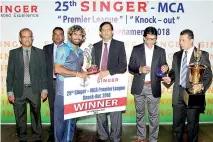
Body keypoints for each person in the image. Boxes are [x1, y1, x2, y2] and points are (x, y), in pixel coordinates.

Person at [162, 29, 212, 142]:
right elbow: (174, 72)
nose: (180, 43)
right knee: (177, 127)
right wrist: (170, 78)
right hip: (178, 94)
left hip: (193, 94)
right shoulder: (176, 55)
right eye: (180, 40)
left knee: (192, 126)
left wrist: (202, 85)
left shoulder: (201, 55)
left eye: (183, 40)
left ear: (191, 41)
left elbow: (208, 74)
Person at [6, 28, 48, 142]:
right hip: (18, 90)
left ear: (32, 38)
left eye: (29, 36)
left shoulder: (40, 52)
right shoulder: (13, 53)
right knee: (20, 117)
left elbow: (43, 72)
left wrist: (44, 89)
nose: (27, 39)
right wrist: (10, 91)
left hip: (35, 90)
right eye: (24, 37)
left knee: (36, 115)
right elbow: (10, 73)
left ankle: (37, 137)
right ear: (20, 39)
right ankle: (22, 138)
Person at [128, 26, 169, 142]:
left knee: (154, 116)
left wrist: (165, 67)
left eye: (153, 39)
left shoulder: (161, 51)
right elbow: (131, 66)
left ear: (156, 39)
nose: (151, 42)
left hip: (153, 86)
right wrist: (140, 69)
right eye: (148, 39)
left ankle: (153, 139)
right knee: (139, 114)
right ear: (144, 38)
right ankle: (141, 137)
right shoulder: (136, 49)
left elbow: (164, 66)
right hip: (139, 87)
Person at [92, 22, 127, 142]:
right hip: (98, 83)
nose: (106, 32)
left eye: (109, 29)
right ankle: (103, 136)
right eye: (103, 30)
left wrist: (107, 72)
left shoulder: (119, 45)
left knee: (115, 111)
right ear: (100, 32)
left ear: (112, 31)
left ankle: (115, 137)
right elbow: (92, 65)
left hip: (114, 84)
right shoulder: (94, 46)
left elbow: (123, 66)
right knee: (99, 110)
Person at [54, 25, 88, 142]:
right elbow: (57, 69)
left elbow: (78, 69)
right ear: (70, 35)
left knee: (72, 122)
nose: (77, 37)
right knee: (60, 122)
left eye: (80, 35)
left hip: (75, 92)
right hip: (62, 92)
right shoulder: (63, 48)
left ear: (82, 37)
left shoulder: (81, 52)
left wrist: (87, 72)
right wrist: (78, 73)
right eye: (75, 34)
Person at [43, 27, 65, 142]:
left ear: (64, 36)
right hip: (51, 82)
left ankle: (64, 131)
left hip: (64, 83)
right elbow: (43, 69)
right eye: (55, 34)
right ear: (52, 36)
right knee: (53, 109)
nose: (57, 36)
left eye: (60, 34)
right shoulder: (46, 49)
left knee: (65, 109)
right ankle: (53, 132)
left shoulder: (68, 48)